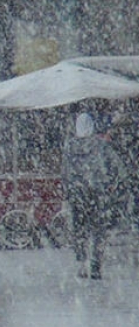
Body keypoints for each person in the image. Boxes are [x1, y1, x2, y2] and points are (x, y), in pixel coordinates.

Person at [61, 112, 126, 280]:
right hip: (98, 193)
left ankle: (82, 263)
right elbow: (119, 168)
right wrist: (111, 184)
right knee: (98, 229)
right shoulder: (101, 145)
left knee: (79, 229)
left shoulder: (69, 146)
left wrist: (68, 189)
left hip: (76, 194)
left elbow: (65, 172)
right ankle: (96, 264)